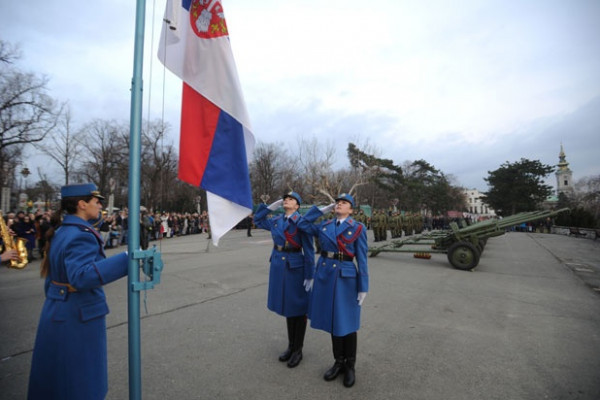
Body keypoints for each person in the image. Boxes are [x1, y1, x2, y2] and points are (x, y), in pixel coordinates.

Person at [28, 183, 129, 400]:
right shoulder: (80, 234)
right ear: (82, 204)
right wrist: (126, 260)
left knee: (57, 382)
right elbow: (81, 276)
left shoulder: (65, 230)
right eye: (96, 201)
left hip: (57, 310)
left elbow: (53, 281)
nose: (100, 205)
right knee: (80, 384)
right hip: (77, 316)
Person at [296, 193, 368, 388]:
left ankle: (350, 366)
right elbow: (302, 225)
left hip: (346, 278)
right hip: (326, 275)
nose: (339, 205)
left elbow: (362, 259)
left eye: (344, 203)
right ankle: (338, 362)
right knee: (333, 321)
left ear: (351, 210)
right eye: (337, 203)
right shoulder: (325, 225)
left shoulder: (358, 228)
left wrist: (363, 287)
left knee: (347, 322)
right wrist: (319, 210)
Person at [253, 191, 315, 368]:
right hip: (279, 266)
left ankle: (298, 350)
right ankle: (290, 346)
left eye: (291, 199)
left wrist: (310, 275)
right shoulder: (277, 220)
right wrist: (270, 207)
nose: (287, 200)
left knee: (298, 309)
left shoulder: (302, 222)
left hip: (296, 267)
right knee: (289, 308)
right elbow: (257, 220)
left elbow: (309, 250)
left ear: (297, 206)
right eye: (285, 199)